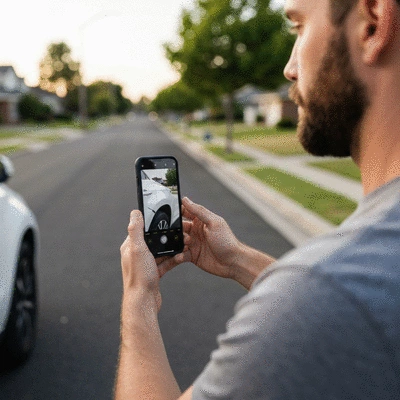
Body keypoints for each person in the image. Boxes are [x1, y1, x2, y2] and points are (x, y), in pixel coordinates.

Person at [114, 0, 400, 398]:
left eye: (299, 28)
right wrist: (237, 260)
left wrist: (138, 301)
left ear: (372, 23)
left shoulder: (330, 295)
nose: (289, 66)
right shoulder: (360, 285)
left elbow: (329, 303)